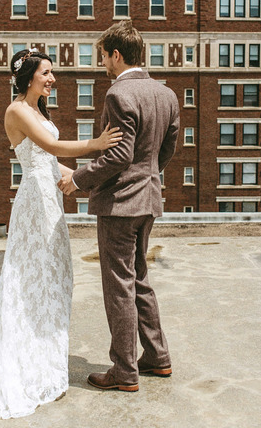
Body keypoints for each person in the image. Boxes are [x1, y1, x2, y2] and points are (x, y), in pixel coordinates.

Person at [0, 48, 121, 419]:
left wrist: (80, 177)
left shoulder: (37, 111)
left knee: (53, 277)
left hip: (50, 198)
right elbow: (50, 146)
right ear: (28, 75)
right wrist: (95, 145)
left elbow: (49, 160)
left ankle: (44, 361)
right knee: (30, 278)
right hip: (34, 203)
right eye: (46, 72)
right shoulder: (16, 110)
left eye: (52, 72)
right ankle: (22, 362)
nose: (52, 79)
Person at [60, 21, 180, 393]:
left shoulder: (118, 94)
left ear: (116, 54)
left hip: (120, 205)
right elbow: (167, 149)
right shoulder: (167, 94)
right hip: (148, 199)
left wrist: (78, 179)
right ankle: (157, 356)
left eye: (103, 57)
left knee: (119, 287)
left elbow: (118, 155)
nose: (102, 64)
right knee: (139, 278)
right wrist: (146, 177)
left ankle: (124, 371)